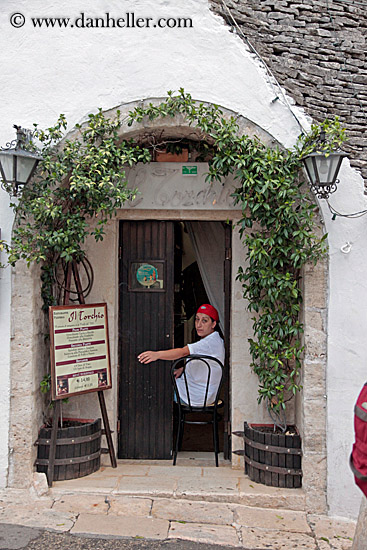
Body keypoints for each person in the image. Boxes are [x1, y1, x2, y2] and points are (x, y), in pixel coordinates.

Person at [137, 304, 224, 407]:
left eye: (204, 321)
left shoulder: (209, 342)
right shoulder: (214, 339)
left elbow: (183, 352)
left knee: (155, 385)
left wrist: (156, 354)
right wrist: (184, 368)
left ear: (213, 324)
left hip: (194, 396)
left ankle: (159, 420)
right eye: (197, 320)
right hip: (203, 393)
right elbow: (206, 363)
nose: (199, 325)